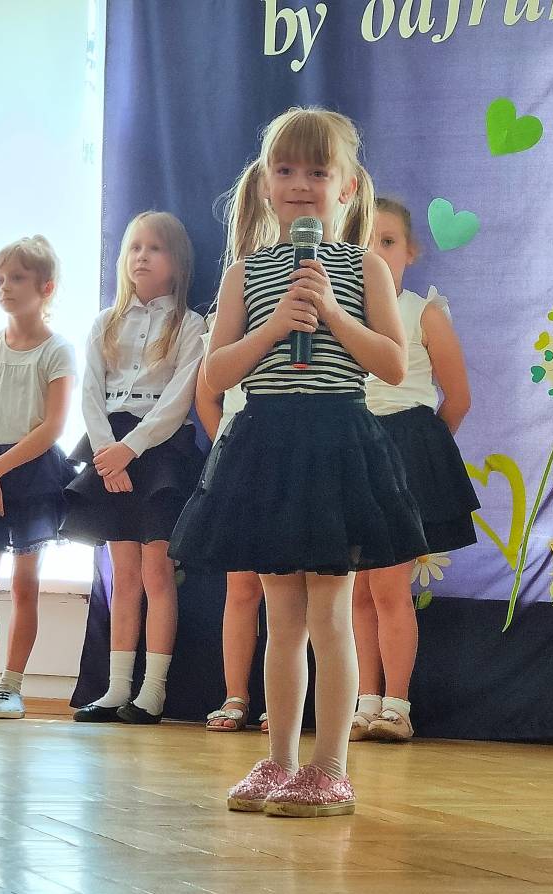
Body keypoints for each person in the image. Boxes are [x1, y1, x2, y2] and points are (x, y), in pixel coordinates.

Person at [169, 107, 428, 817]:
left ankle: (329, 766)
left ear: (347, 188)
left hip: (338, 443)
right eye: (285, 170)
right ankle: (280, 758)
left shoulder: (362, 267)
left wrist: (333, 316)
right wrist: (276, 325)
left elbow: (390, 363)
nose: (301, 184)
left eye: (318, 171)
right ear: (264, 185)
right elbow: (216, 373)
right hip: (268, 444)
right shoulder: (245, 273)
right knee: (280, 617)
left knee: (331, 614)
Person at [63, 211, 205, 725]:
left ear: (178, 263)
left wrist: (132, 449)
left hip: (159, 451)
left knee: (157, 571)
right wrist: (107, 454)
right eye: (135, 248)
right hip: (110, 451)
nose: (142, 257)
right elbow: (90, 393)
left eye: (155, 248)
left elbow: (179, 399)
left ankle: (153, 691)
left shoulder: (190, 324)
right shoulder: (105, 322)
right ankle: (116, 687)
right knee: (123, 574)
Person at [351, 198, 480, 742]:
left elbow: (458, 398)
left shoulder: (423, 313)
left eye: (387, 242)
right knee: (356, 592)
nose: (376, 253)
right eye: (364, 242)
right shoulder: (339, 316)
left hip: (403, 452)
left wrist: (420, 456)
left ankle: (397, 706)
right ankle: (365, 702)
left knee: (388, 587)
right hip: (350, 450)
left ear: (411, 252)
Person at [0, 235, 76, 720]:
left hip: (32, 472)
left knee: (26, 583)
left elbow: (52, 426)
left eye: (17, 278)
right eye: (0, 279)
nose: (5, 287)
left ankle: (12, 686)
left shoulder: (57, 350)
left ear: (45, 287)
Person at [195, 330, 268, 734]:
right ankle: (235, 695)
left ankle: (284, 701)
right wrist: (228, 446)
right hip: (239, 459)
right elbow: (207, 397)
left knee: (295, 592)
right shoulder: (225, 321)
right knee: (241, 587)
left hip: (295, 453)